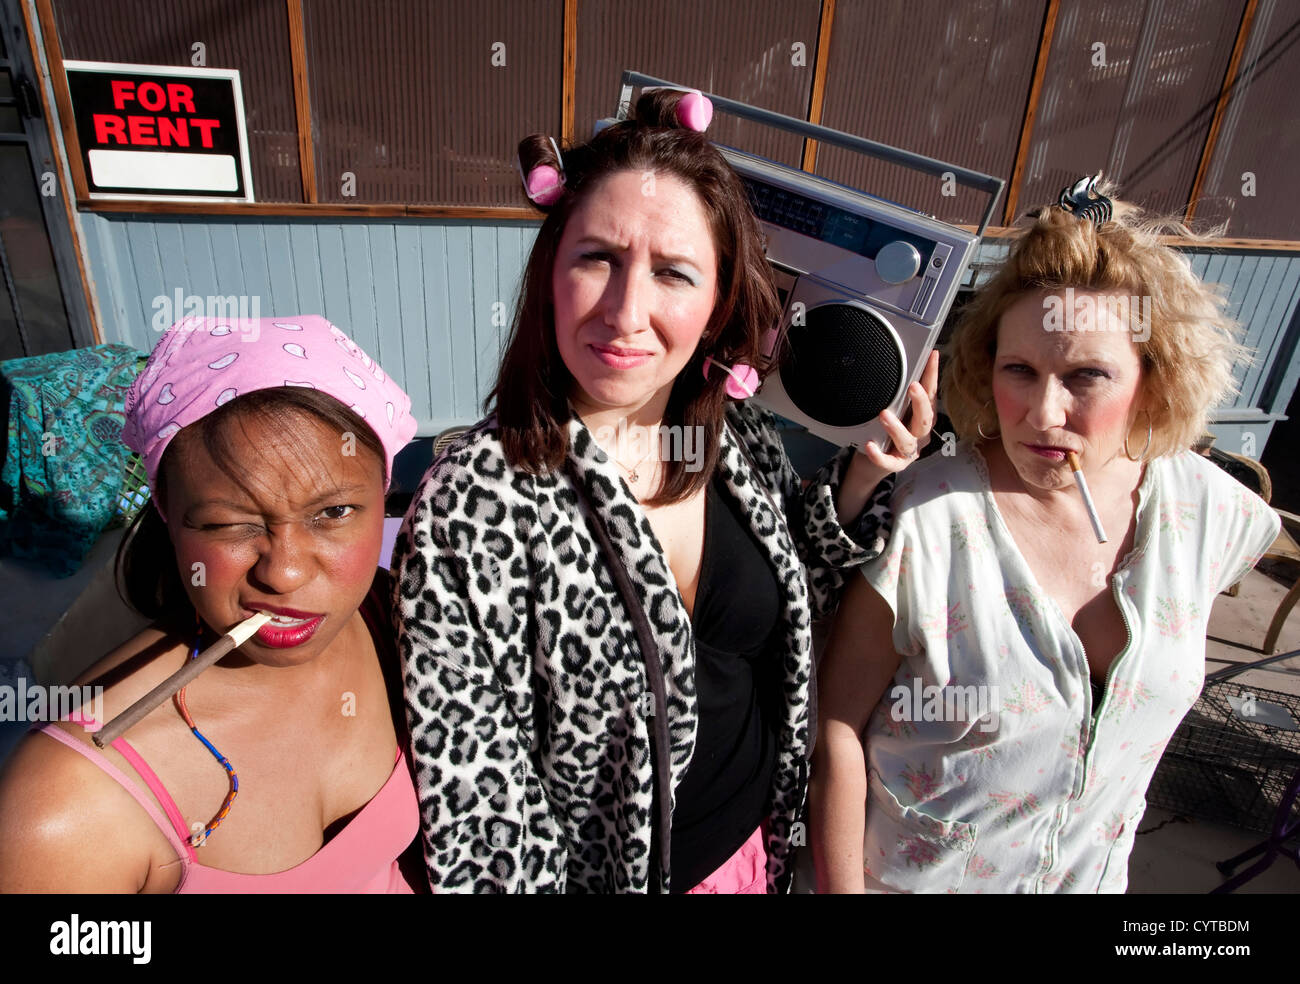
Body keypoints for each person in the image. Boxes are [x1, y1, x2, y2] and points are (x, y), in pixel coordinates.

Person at [391, 88, 937, 894]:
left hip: (756, 857)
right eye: (597, 259)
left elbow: (792, 614)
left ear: (718, 304)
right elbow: (482, 817)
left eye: (674, 273)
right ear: (550, 275)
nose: (626, 311)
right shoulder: (471, 505)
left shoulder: (733, 439)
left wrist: (865, 476)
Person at [810, 180, 1282, 893]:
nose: (1043, 411)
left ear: (1153, 381)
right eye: (1019, 371)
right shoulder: (926, 515)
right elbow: (835, 728)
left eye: (1086, 376)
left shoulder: (1212, 514)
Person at [0, 315, 424, 893]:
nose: (286, 572)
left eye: (333, 513)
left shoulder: (391, 623)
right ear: (168, 515)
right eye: (229, 523)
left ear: (384, 497)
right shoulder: (67, 809)